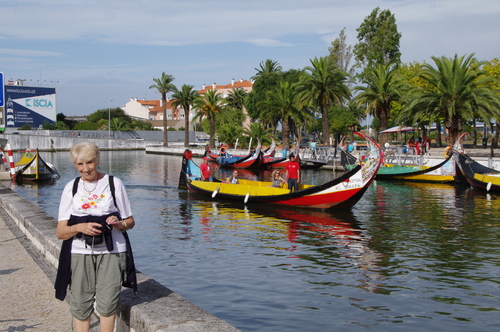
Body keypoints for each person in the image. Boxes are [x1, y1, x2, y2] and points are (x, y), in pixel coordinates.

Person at [54, 141, 136, 332]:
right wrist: (80, 227)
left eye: (89, 162)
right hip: (79, 253)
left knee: (108, 305)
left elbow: (130, 221)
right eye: (80, 164)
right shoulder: (71, 187)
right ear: (74, 165)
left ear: (98, 160)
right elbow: (60, 232)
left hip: (113, 251)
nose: (86, 169)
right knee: (81, 306)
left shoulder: (114, 184)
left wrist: (118, 224)